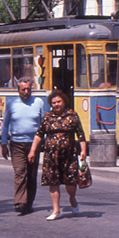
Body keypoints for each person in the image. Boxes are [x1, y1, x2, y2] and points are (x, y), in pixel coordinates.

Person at [28, 88, 88, 221]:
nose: (56, 105)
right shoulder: (47, 117)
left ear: (64, 102)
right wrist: (32, 151)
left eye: (58, 102)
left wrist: (83, 151)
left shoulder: (72, 116)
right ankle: (56, 210)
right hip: (51, 156)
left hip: (69, 155)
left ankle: (72, 198)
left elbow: (80, 135)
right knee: (52, 181)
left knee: (70, 182)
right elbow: (39, 134)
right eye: (54, 103)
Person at [0, 78, 47, 215]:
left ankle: (28, 203)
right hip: (17, 144)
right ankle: (20, 202)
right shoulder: (12, 103)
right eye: (23, 90)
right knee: (20, 172)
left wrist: (44, 141)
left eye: (28, 89)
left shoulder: (38, 102)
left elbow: (43, 124)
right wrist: (3, 143)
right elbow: (5, 125)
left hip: (34, 144)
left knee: (31, 175)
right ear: (18, 90)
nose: (26, 92)